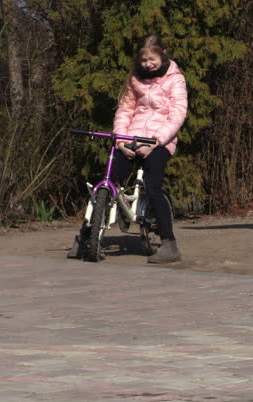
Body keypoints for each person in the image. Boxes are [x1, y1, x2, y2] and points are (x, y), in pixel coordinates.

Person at [70, 34, 188, 263]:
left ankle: (169, 243)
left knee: (153, 186)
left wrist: (155, 142)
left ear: (163, 55)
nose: (147, 64)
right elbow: (124, 111)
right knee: (107, 181)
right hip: (130, 138)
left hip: (159, 140)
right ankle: (84, 238)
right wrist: (121, 142)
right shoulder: (135, 79)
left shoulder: (175, 80)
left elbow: (177, 114)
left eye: (152, 59)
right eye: (143, 60)